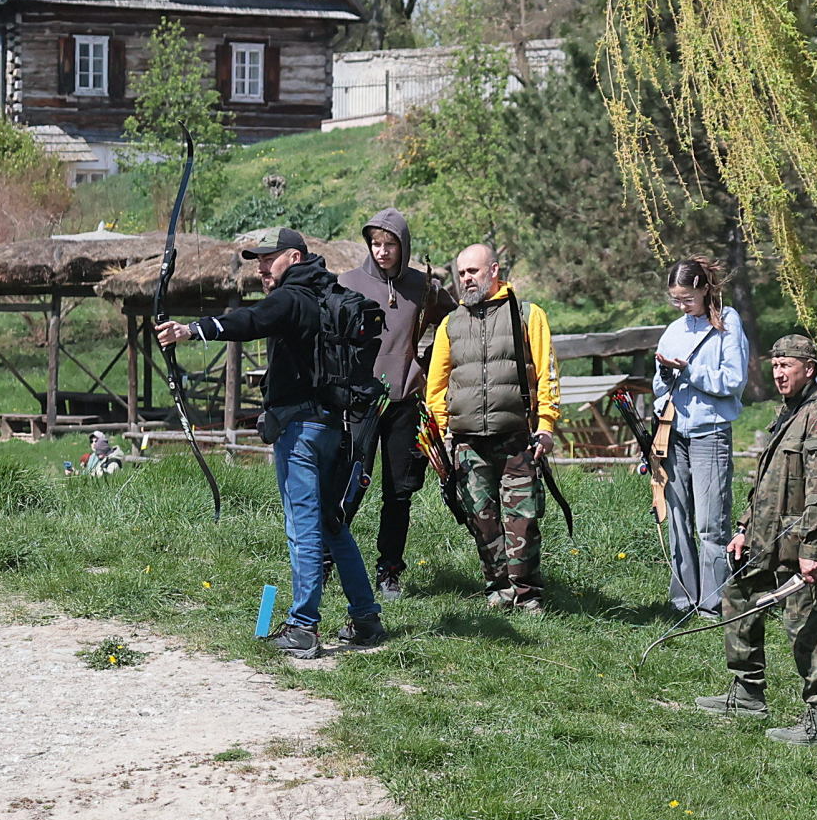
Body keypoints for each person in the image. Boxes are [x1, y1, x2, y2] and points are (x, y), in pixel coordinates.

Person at [156, 227, 384, 658]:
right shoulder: (326, 293)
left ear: (294, 258)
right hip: (332, 426)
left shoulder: (291, 297)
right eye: (258, 260)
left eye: (268, 258)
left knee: (304, 527)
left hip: (300, 431)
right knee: (331, 524)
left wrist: (192, 330)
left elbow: (251, 320)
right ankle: (366, 618)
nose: (261, 268)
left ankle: (303, 627)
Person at [699, 335, 817, 745]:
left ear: (809, 369)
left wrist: (813, 549)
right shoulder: (790, 410)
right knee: (739, 596)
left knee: (808, 626)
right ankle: (748, 693)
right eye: (776, 366)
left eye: (787, 366)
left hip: (799, 545)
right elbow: (768, 481)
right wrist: (744, 528)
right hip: (765, 539)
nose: (779, 374)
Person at [424, 243, 561, 610]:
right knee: (481, 521)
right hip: (467, 442)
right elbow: (436, 387)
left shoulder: (528, 314)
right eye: (461, 273)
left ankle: (527, 594)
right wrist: (444, 435)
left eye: (473, 270)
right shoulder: (451, 324)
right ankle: (498, 589)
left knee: (523, 520)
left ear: (494, 270)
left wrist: (546, 425)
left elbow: (547, 374)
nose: (466, 278)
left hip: (518, 438)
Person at [336, 208, 458, 597]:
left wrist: (426, 364)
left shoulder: (424, 287)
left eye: (390, 244)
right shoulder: (347, 283)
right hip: (361, 401)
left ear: (403, 246)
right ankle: (325, 559)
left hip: (404, 401)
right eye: (376, 243)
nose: (382, 251)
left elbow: (455, 326)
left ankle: (389, 570)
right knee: (350, 485)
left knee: (399, 491)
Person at [652, 257, 750, 622]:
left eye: (687, 299)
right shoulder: (673, 330)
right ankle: (682, 600)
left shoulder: (728, 322)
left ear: (705, 289)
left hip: (711, 433)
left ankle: (713, 602)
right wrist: (666, 376)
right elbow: (658, 385)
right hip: (674, 433)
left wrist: (690, 370)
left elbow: (733, 380)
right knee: (677, 518)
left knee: (711, 522)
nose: (681, 306)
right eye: (675, 299)